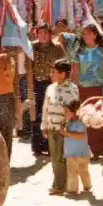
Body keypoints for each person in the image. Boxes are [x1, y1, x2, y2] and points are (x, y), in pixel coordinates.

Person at [27, 23, 66, 156]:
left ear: (50, 34)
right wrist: (30, 86)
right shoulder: (32, 47)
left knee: (51, 114)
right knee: (37, 115)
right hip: (36, 83)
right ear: (36, 34)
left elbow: (63, 66)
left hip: (52, 84)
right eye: (40, 33)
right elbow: (28, 67)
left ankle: (51, 146)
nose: (43, 36)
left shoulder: (57, 47)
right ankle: (37, 146)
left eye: (46, 33)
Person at [43, 59, 78, 195]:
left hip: (65, 128)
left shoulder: (72, 89)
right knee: (54, 156)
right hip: (52, 127)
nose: (51, 74)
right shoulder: (50, 88)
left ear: (63, 74)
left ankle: (60, 185)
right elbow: (45, 107)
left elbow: (74, 109)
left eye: (54, 72)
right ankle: (59, 182)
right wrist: (44, 125)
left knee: (62, 157)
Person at [62, 101, 92, 195]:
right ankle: (72, 189)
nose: (65, 113)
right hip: (71, 153)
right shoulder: (69, 122)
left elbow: (81, 136)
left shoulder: (80, 122)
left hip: (81, 152)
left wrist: (65, 133)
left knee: (83, 171)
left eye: (67, 111)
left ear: (74, 111)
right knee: (72, 172)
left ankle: (87, 185)